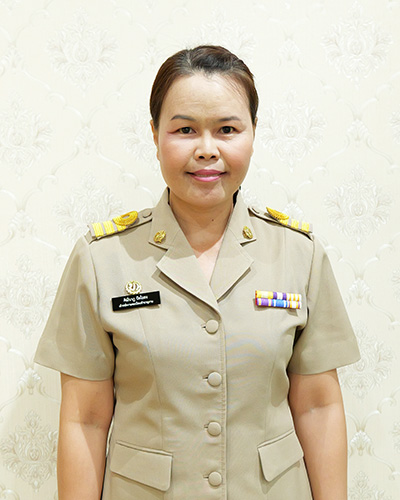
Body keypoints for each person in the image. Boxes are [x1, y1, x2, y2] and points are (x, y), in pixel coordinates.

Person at [35, 45, 360, 500]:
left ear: (253, 132)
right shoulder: (102, 259)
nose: (207, 150)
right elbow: (84, 419)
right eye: (185, 129)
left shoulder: (298, 254)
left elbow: (318, 407)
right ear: (155, 135)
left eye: (227, 129)